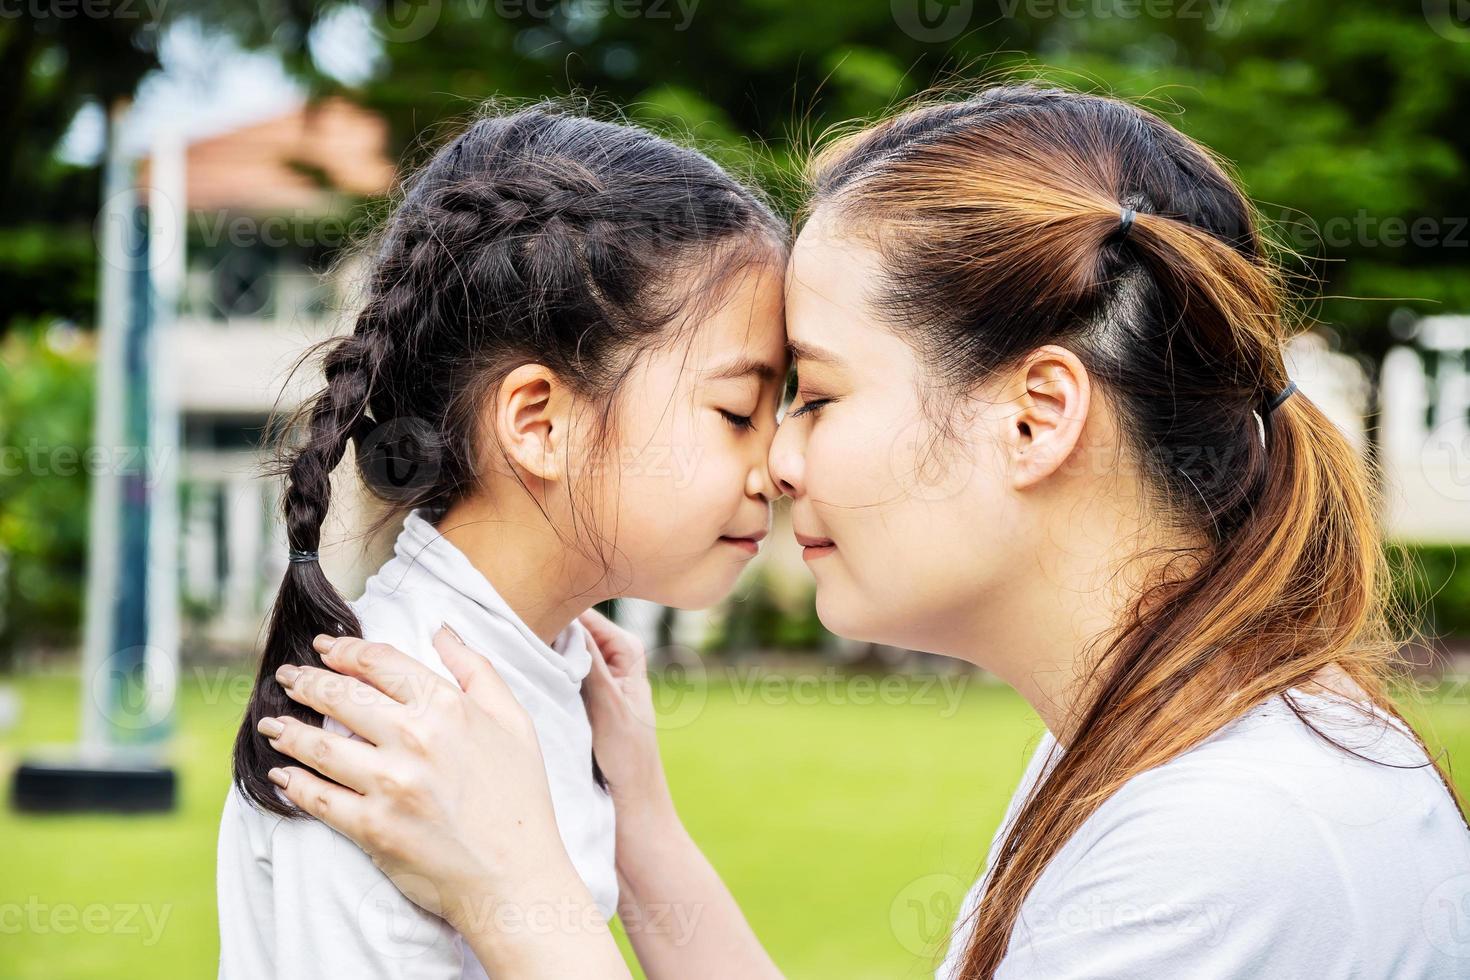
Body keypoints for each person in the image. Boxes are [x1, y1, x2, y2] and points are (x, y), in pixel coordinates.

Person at [250, 84, 1470, 979]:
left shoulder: (1222, 843)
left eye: (816, 396)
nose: (777, 461)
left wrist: (520, 899)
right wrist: (645, 841)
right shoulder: (1159, 744)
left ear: (1038, 416)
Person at [215, 102, 790, 979]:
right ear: (538, 422)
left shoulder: (549, 675)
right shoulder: (389, 725)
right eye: (739, 412)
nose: (779, 465)